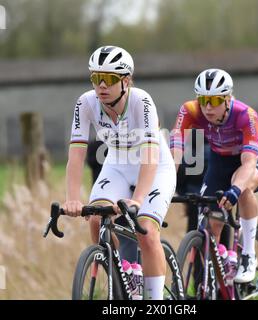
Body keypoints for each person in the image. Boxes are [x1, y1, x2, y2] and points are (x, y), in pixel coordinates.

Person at [63, 45, 176, 299]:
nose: (101, 85)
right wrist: (72, 198)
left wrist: (138, 199)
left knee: (145, 231)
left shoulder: (141, 100)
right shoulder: (86, 102)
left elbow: (150, 155)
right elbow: (76, 154)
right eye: (96, 78)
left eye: (110, 79)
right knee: (95, 219)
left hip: (154, 166)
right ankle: (123, 277)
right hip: (116, 164)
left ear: (126, 81)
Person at [170, 68, 258, 283]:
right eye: (203, 100)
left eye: (215, 100)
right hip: (220, 162)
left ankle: (248, 255)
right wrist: (168, 180)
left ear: (227, 99)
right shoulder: (189, 110)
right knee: (208, 228)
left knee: (242, 188)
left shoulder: (246, 115)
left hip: (251, 160)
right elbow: (176, 148)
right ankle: (217, 281)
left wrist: (235, 189)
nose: (207, 107)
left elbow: (249, 163)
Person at [86, 139, 138, 262]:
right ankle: (116, 270)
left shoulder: (96, 147)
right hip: (112, 198)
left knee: (137, 248)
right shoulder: (98, 147)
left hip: (131, 193)